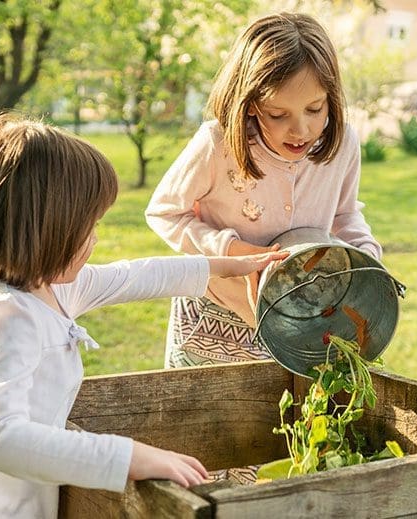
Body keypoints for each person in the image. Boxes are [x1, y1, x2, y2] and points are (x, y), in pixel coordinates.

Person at [0, 113, 287, 518]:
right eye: (87, 228)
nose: (95, 239)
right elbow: (2, 440)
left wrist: (221, 266)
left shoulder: (46, 288)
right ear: (46, 232)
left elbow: (134, 276)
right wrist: (128, 457)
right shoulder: (2, 319)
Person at [145, 12, 383, 368]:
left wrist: (368, 256)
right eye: (278, 114)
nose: (300, 129)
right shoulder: (218, 143)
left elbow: (344, 214)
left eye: (315, 109)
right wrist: (231, 251)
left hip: (298, 316)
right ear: (252, 103)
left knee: (281, 418)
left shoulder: (343, 143)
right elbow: (164, 212)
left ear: (330, 97)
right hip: (211, 319)